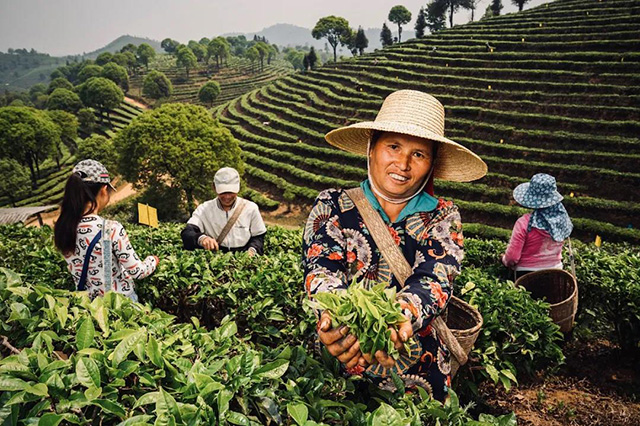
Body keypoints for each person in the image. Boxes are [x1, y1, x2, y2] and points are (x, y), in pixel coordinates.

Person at [302, 90, 487, 402]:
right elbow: (322, 271)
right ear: (372, 148)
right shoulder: (332, 205)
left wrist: (398, 319)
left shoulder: (442, 216)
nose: (403, 163)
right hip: (342, 360)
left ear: (431, 164)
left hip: (418, 372)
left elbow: (433, 279)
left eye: (418, 154)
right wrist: (338, 320)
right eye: (393, 146)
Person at [54, 159, 158, 301]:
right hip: (119, 304)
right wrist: (152, 260)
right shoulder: (111, 229)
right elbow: (137, 271)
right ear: (103, 190)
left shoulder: (64, 228)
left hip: (89, 306)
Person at [502, 173, 573, 280]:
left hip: (525, 276)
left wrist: (504, 259)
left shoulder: (524, 223)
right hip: (556, 273)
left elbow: (512, 258)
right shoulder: (562, 220)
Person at [181, 167, 267, 255]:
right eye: (223, 192)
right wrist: (202, 239)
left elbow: (258, 237)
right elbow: (187, 232)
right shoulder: (204, 209)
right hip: (216, 259)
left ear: (238, 188)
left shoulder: (250, 208)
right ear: (214, 187)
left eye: (231, 192)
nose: (227, 197)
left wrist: (252, 250)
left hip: (243, 258)